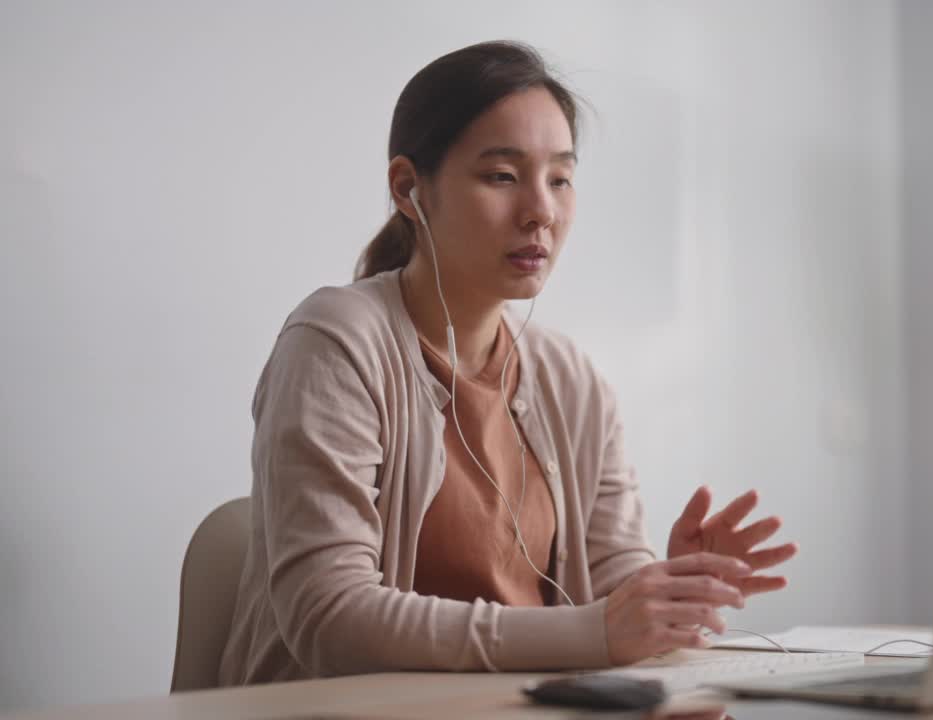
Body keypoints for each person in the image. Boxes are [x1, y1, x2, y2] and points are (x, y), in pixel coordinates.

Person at [219, 40, 797, 686]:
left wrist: (665, 588)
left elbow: (608, 588)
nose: (541, 212)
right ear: (410, 189)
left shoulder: (571, 381)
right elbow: (328, 617)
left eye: (560, 178)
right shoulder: (336, 344)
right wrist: (592, 631)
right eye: (502, 176)